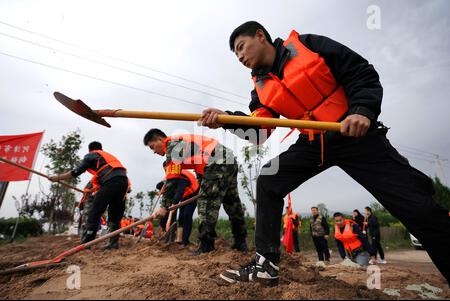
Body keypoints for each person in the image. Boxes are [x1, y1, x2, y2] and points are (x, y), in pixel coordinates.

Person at [202, 21, 450, 286]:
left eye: (241, 47)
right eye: (236, 54)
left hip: (354, 135)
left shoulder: (308, 45)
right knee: (269, 180)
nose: (239, 57)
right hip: (313, 144)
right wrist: (227, 119)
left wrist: (362, 110)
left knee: (417, 205)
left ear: (260, 36)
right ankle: (266, 265)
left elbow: (360, 72)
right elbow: (260, 131)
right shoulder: (260, 86)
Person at [143, 129, 248, 255]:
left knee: (206, 204)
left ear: (160, 139)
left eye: (152, 147)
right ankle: (240, 242)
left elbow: (172, 181)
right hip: (226, 159)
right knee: (231, 201)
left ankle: (206, 246)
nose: (154, 151)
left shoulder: (172, 145)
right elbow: (200, 169)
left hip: (217, 161)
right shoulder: (184, 145)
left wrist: (164, 206)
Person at [49, 141, 129, 249]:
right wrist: (90, 191)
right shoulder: (107, 159)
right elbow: (99, 182)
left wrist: (57, 178)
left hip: (111, 181)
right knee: (114, 216)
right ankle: (113, 243)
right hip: (123, 181)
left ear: (90, 150)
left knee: (95, 212)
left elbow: (75, 172)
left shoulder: (92, 154)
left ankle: (87, 243)